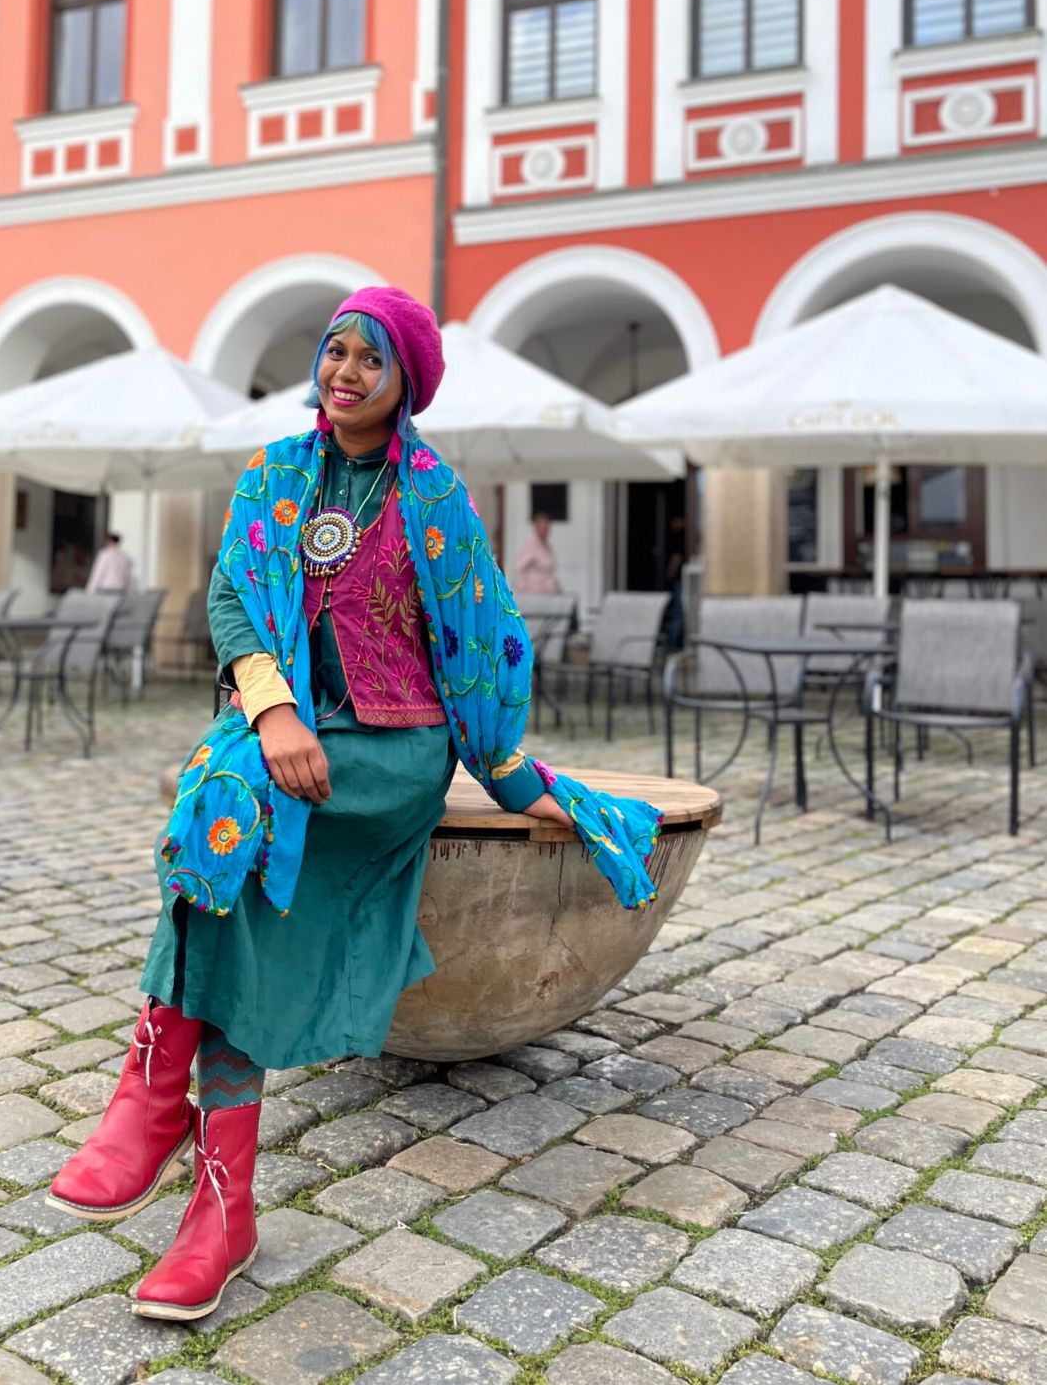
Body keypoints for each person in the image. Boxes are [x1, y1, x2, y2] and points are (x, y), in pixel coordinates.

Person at [47, 287, 661, 1323]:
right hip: (282, 726)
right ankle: (202, 1186)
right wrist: (275, 708)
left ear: (402, 383)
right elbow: (235, 594)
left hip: (389, 750)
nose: (342, 372)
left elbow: (481, 638)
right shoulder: (275, 472)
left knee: (229, 821)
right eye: (333, 350)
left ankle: (158, 1116)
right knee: (226, 815)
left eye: (367, 361)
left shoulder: (433, 497)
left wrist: (516, 776)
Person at [515, 509, 561, 594]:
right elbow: (520, 567)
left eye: (547, 528)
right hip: (534, 592)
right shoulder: (531, 545)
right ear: (537, 528)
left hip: (548, 590)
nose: (545, 531)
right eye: (543, 527)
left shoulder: (546, 546)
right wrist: (523, 589)